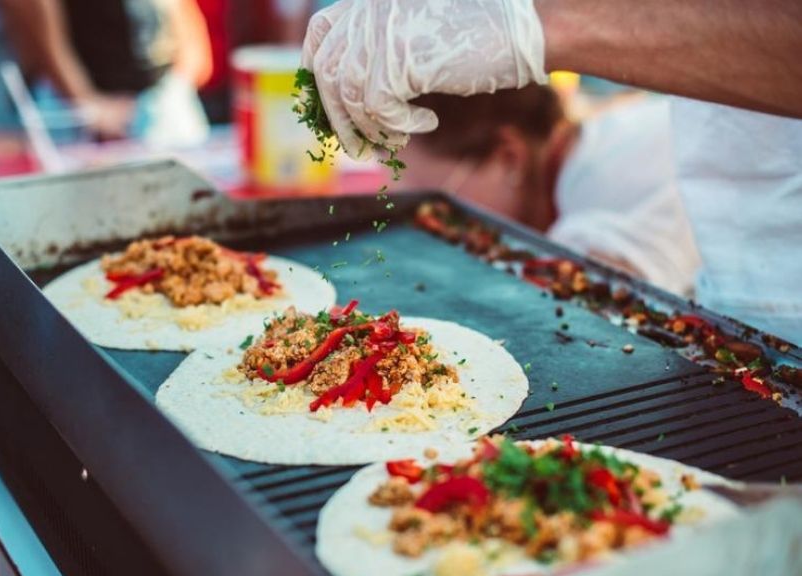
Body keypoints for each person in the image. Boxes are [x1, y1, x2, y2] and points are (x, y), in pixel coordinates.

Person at [301, 0, 802, 344]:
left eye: (437, 198)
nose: (433, 219)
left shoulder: (614, 172)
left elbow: (628, 262)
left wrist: (536, 25)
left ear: (510, 157)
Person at [401, 88, 700, 295]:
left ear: (510, 158)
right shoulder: (599, 144)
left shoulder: (608, 193)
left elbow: (613, 290)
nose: (433, 225)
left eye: (436, 203)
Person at [0, 0, 213, 145]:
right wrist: (86, 102)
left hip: (164, 101)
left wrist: (181, 80)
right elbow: (29, 15)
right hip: (83, 113)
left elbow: (185, 19)